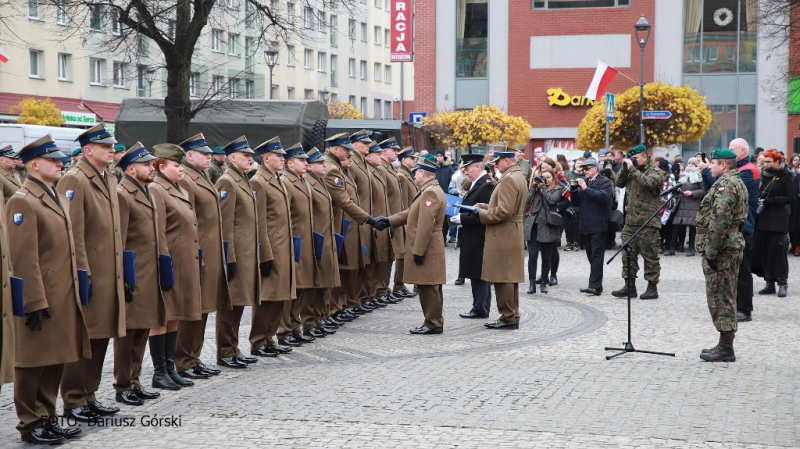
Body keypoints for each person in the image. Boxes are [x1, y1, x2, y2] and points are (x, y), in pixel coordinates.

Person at [9, 136, 89, 445]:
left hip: (61, 292)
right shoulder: (22, 200)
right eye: (53, 160)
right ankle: (30, 423)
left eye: (60, 159)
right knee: (32, 361)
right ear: (34, 165)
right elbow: (23, 258)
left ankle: (48, 417)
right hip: (40, 295)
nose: (60, 163)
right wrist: (33, 301)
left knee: (56, 357)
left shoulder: (54, 195)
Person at [57, 122, 125, 422]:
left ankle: (89, 394)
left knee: (101, 336)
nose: (112, 150)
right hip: (91, 273)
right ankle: (74, 399)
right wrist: (83, 274)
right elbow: (73, 233)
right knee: (84, 336)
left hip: (110, 271)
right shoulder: (75, 179)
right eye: (105, 147)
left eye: (112, 146)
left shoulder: (107, 178)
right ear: (87, 151)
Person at [114, 142, 170, 403]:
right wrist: (125, 276)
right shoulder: (123, 193)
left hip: (149, 271)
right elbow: (120, 240)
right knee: (129, 334)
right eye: (147, 165)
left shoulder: (145, 190)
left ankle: (135, 381)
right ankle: (123, 385)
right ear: (131, 168)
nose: (152, 168)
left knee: (143, 330)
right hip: (134, 273)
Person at [148, 144, 202, 390]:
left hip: (184, 261)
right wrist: (163, 263)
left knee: (176, 315)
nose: (181, 168)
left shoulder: (178, 188)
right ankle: (160, 372)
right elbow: (158, 230)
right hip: (170, 261)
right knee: (164, 316)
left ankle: (170, 368)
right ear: (161, 166)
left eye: (181, 164)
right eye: (176, 165)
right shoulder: (157, 189)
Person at [375, 155, 446, 334]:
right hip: (429, 244)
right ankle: (433, 321)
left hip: (427, 245)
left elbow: (425, 225)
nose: (414, 176)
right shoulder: (429, 189)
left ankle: (433, 323)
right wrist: (389, 221)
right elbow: (411, 212)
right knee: (428, 284)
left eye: (416, 173)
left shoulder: (430, 192)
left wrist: (418, 251)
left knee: (429, 285)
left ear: (423, 172)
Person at [176, 134, 228, 378]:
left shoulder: (202, 176)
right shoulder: (186, 179)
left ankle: (194, 357)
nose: (209, 157)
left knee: (205, 305)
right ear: (189, 155)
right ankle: (184, 359)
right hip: (198, 252)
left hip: (210, 250)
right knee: (193, 307)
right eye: (204, 154)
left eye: (209, 154)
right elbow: (189, 220)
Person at [695, 148, 748, 362]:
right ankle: (725, 343)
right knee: (725, 294)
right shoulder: (734, 182)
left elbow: (719, 220)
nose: (710, 166)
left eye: (713, 163)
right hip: (729, 246)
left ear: (723, 165)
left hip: (723, 249)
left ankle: (726, 347)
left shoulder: (727, 185)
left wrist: (711, 250)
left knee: (721, 296)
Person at [215, 136, 260, 368]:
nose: (250, 159)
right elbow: (224, 223)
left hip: (246, 252)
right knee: (230, 304)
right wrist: (228, 256)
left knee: (240, 302)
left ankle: (233, 348)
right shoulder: (227, 182)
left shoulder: (242, 179)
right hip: (236, 253)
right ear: (233, 158)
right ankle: (224, 351)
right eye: (246, 155)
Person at [249, 137, 297, 352]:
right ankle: (258, 341)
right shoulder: (258, 181)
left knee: (280, 295)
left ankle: (270, 338)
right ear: (266, 158)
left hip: (284, 246)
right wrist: (264, 253)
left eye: (283, 156)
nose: (282, 159)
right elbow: (258, 221)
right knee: (267, 297)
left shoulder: (277, 179)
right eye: (278, 156)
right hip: (271, 247)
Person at [323, 133, 372, 321]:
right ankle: (332, 309)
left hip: (346, 223)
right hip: (339, 225)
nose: (348, 153)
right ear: (335, 149)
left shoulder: (339, 168)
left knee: (348, 266)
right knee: (340, 268)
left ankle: (338, 306)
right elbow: (344, 201)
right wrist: (368, 219)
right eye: (345, 149)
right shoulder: (332, 169)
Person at [477, 146, 527, 330]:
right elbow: (508, 206)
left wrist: (480, 215)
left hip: (504, 232)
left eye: (497, 162)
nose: (496, 166)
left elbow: (504, 211)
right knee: (509, 276)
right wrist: (487, 206)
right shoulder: (517, 175)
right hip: (512, 230)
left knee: (502, 276)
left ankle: (507, 316)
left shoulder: (509, 179)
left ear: (507, 160)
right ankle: (511, 314)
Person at [611, 144, 663, 300]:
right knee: (628, 255)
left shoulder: (655, 172)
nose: (633, 161)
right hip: (631, 221)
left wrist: (632, 169)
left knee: (650, 256)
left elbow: (648, 183)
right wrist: (625, 169)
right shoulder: (631, 171)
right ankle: (629, 286)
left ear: (645, 157)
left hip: (648, 222)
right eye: (631, 158)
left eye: (636, 158)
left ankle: (652, 288)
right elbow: (618, 183)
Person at [305, 147, 343, 331]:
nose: (324, 165)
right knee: (314, 283)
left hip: (325, 237)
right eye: (319, 163)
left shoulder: (319, 182)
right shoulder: (307, 182)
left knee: (324, 281)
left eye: (323, 162)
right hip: (315, 238)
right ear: (309, 166)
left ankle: (318, 319)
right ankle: (307, 322)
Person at [452, 154, 494, 318]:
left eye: (468, 169)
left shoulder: (486, 185)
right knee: (476, 273)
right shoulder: (478, 183)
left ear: (478, 166)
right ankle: (479, 306)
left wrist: (462, 218)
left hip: (479, 237)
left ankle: (480, 308)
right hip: (473, 235)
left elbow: (485, 214)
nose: (466, 173)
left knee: (479, 274)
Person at [752, 149, 795, 298]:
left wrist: (773, 200)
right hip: (763, 218)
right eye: (764, 162)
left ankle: (782, 283)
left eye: (769, 162)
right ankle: (769, 282)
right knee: (764, 252)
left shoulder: (786, 175)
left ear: (777, 162)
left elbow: (791, 197)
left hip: (777, 219)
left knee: (778, 252)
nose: (766, 165)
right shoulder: (765, 176)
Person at [570, 158, 613, 296]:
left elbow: (603, 197)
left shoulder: (604, 182)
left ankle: (594, 286)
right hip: (586, 225)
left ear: (595, 168)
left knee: (596, 256)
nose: (585, 171)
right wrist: (574, 191)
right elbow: (576, 203)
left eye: (587, 168)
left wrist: (585, 188)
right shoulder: (586, 183)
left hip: (598, 225)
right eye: (583, 169)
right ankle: (596, 284)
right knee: (591, 256)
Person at [349, 130, 380, 313]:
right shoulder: (353, 164)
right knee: (356, 263)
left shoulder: (363, 163)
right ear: (355, 145)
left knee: (366, 261)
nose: (368, 145)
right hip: (358, 221)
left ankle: (361, 297)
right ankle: (353, 300)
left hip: (367, 219)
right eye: (365, 143)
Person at [523, 169, 563, 294]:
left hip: (547, 226)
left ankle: (544, 282)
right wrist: (533, 187)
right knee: (532, 256)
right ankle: (531, 283)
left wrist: (543, 188)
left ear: (553, 179)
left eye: (548, 178)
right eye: (542, 177)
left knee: (546, 257)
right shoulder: (536, 189)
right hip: (533, 226)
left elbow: (551, 200)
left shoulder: (557, 189)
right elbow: (527, 200)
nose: (545, 180)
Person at [365, 141, 394, 307]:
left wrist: (390, 219)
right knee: (372, 260)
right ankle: (373, 292)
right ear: (369, 156)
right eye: (377, 154)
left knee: (383, 257)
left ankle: (379, 290)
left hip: (381, 220)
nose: (381, 156)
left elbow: (386, 199)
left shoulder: (379, 170)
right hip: (372, 221)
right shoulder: (373, 170)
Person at [378, 138, 405, 304]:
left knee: (389, 254)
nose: (397, 152)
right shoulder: (382, 169)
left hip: (393, 218)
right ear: (384, 151)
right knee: (383, 255)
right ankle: (380, 289)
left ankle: (384, 288)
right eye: (393, 150)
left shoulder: (388, 169)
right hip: (387, 218)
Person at [393, 146, 420, 298]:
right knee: (402, 254)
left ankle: (401, 284)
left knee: (405, 253)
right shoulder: (402, 175)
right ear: (403, 160)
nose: (414, 160)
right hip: (406, 218)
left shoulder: (408, 174)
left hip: (411, 217)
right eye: (411, 158)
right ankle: (398, 285)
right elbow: (402, 201)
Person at [671, 157, 706, 257]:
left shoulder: (699, 177)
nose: (690, 165)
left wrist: (692, 193)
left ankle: (691, 248)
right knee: (677, 226)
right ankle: (675, 247)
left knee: (692, 228)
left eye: (692, 164)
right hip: (682, 204)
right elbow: (676, 188)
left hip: (693, 204)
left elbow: (703, 191)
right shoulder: (683, 176)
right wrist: (677, 190)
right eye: (689, 163)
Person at [435, 149, 456, 243]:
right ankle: (440, 239)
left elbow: (452, 181)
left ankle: (443, 237)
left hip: (447, 195)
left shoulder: (449, 168)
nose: (439, 157)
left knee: (445, 219)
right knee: (437, 218)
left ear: (443, 156)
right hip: (435, 195)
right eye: (437, 156)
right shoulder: (434, 167)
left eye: (440, 156)